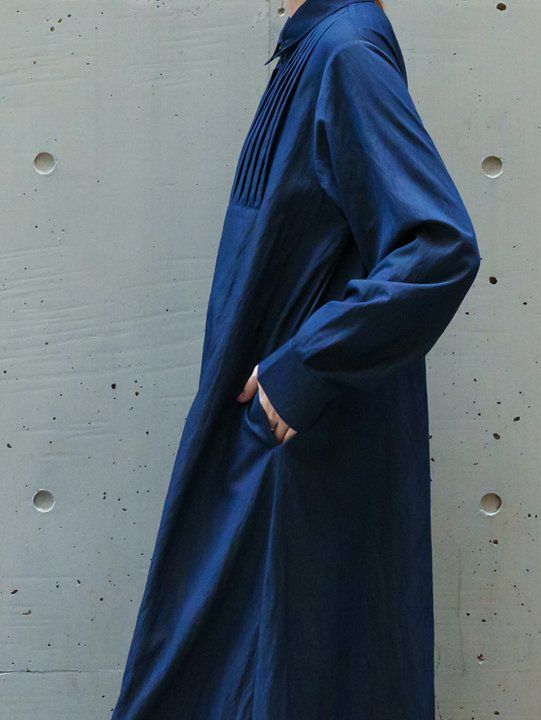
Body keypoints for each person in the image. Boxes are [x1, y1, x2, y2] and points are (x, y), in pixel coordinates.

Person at [110, 1, 481, 718]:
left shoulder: (347, 55)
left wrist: (303, 369)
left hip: (297, 462)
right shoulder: (315, 51)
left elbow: (438, 246)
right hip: (265, 450)